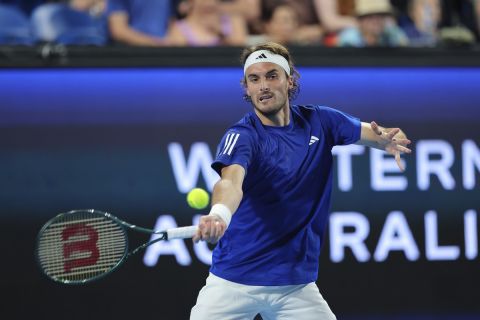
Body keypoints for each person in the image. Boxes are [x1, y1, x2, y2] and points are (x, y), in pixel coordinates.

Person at [190, 42, 412, 319]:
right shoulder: (243, 136)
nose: (263, 86)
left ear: (290, 80)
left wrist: (389, 141)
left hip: (295, 286)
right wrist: (219, 214)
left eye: (272, 75)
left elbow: (378, 135)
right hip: (234, 282)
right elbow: (230, 182)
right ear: (246, 87)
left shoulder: (321, 120)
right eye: (254, 79)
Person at [168, 0, 247, 46]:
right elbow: (179, 59)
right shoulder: (179, 28)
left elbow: (240, 52)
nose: (208, 2)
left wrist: (220, 32)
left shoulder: (235, 21)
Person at [338, 0, 409, 47]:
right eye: (370, 17)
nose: (376, 21)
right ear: (360, 21)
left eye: (380, 16)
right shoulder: (349, 40)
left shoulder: (393, 34)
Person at [106, 0, 175, 46]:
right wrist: (155, 44)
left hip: (164, 57)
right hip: (133, 57)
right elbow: (118, 30)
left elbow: (172, 22)